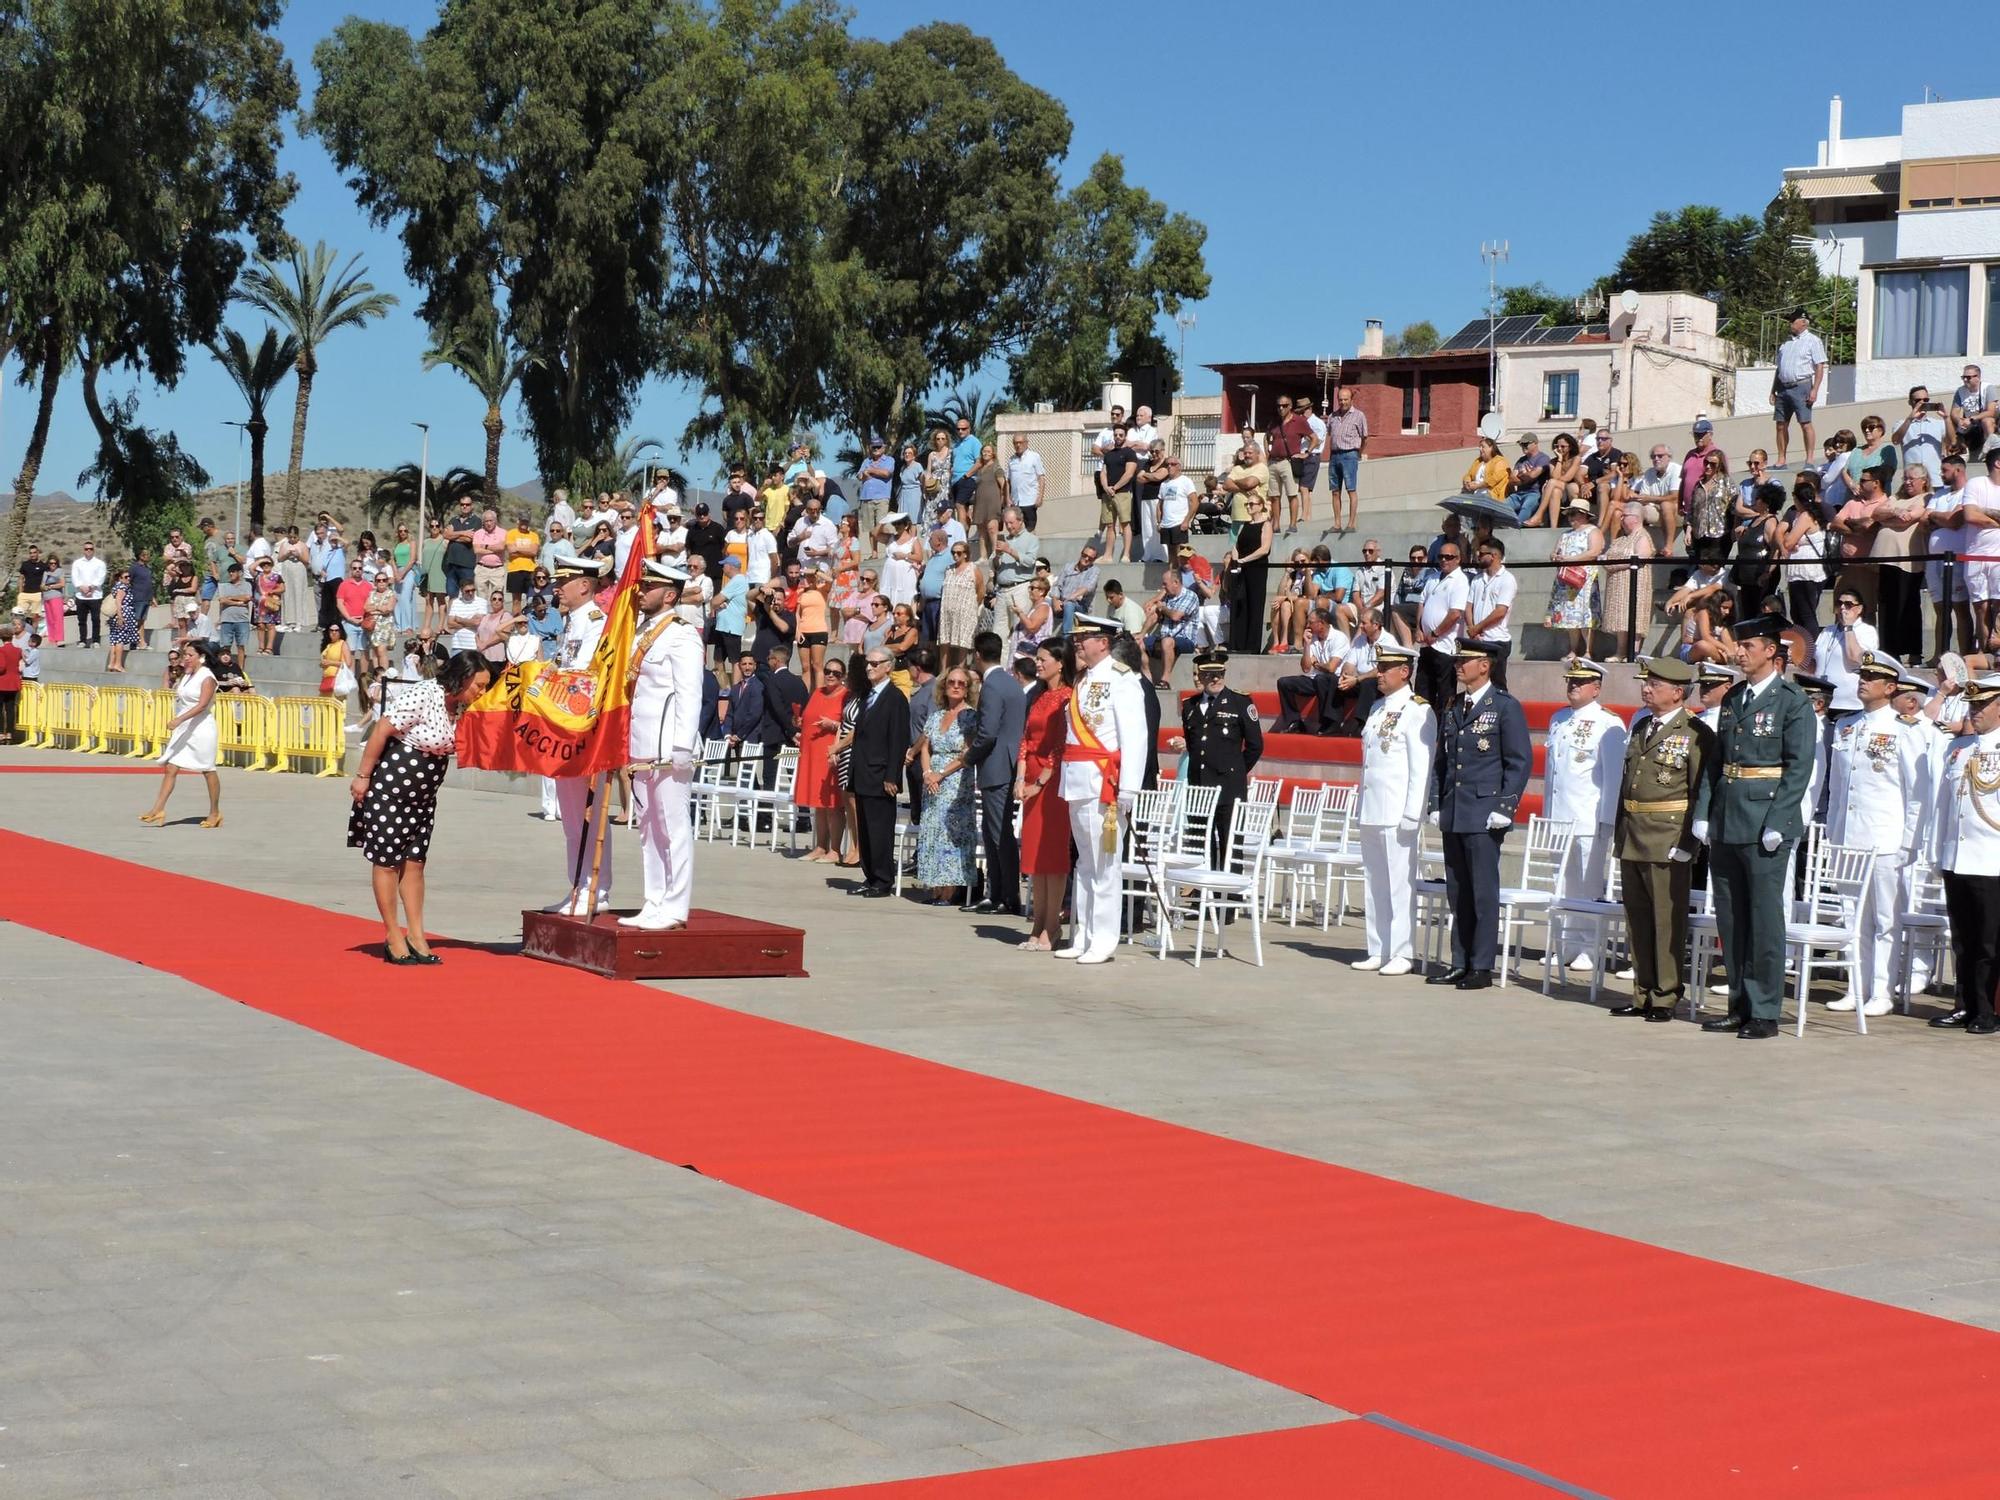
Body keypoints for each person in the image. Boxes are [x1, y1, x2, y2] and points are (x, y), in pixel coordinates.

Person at [1695, 613, 1816, 1039]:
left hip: (1767, 820)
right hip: (1729, 817)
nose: (1739, 652)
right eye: (1739, 646)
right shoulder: (1733, 699)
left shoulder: (1791, 701)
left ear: (1771, 651)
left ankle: (1765, 1010)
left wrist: (1780, 820)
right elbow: (1716, 762)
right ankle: (1738, 1004)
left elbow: (1799, 768)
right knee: (1732, 918)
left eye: (1748, 646)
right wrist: (1704, 812)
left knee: (1764, 919)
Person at [347, 650, 492, 964]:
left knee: (414, 863)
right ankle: (392, 933)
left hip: (424, 798)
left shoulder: (464, 707)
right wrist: (362, 776)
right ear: (462, 677)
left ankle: (416, 932)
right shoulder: (425, 694)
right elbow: (382, 730)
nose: (481, 691)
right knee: (387, 861)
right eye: (477, 685)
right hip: (390, 788)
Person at [1821, 652, 1932, 1018]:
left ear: (1890, 687)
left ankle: (1882, 989)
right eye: (1861, 674)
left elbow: (1916, 793)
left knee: (1886, 919)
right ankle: (1857, 986)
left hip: (1885, 836)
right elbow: (1838, 789)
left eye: (1872, 676)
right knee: (1853, 916)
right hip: (1849, 835)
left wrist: (1908, 842)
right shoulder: (1846, 726)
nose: (1862, 680)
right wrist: (1835, 834)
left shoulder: (1906, 729)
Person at [1610, 656, 1712, 1020]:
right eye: (1646, 682)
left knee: (1666, 920)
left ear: (1677, 692)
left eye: (1654, 684)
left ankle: (1666, 995)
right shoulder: (1641, 727)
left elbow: (1701, 789)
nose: (1646, 688)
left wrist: (1689, 843)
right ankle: (1643, 992)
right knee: (1637, 919)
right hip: (1633, 833)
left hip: (1668, 836)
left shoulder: (1694, 732)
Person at [1425, 638, 1531, 989]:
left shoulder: (1503, 706)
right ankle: (1460, 960)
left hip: (1485, 813)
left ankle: (1481, 965)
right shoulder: (1455, 705)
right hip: (1456, 811)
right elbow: (1443, 761)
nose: (1458, 665)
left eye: (1465, 660)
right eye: (1457, 660)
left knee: (1483, 892)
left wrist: (1505, 806)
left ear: (1484, 665)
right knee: (1459, 891)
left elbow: (1518, 762)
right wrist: (1436, 803)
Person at [1055, 615, 1149, 964]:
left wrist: (1129, 788)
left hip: (1103, 781)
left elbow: (1135, 736)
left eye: (1085, 637)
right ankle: (1083, 934)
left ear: (1103, 642)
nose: (1078, 642)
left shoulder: (1122, 678)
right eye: (1077, 637)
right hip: (1078, 778)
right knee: (1084, 864)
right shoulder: (1083, 678)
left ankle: (1105, 938)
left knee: (1105, 863)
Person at [620, 562, 705, 932]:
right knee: (648, 827)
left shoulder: (681, 635)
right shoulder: (642, 632)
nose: (641, 591)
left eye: (649, 586)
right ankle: (654, 899)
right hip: (642, 744)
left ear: (669, 594)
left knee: (672, 826)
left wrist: (682, 746)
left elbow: (690, 693)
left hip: (669, 746)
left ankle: (675, 906)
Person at [1352, 641, 1434, 975]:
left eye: (1385, 668)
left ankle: (1401, 951)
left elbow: (1421, 766)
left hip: (1397, 809)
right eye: (1378, 667)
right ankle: (1379, 946)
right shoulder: (1376, 709)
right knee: (1375, 882)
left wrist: (1413, 812)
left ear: (1405, 671)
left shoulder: (1418, 710)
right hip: (1373, 807)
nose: (1379, 674)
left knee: (1400, 883)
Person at [1541, 658, 1628, 968]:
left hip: (1588, 816)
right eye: (1570, 681)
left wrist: (1607, 821)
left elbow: (1613, 778)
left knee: (1588, 884)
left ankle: (1589, 948)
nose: (1573, 686)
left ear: (1596, 687)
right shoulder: (1558, 719)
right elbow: (1553, 776)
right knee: (1562, 883)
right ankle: (1563, 945)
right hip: (1559, 817)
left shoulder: (1609, 723)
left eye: (1580, 682)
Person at [543, 556, 617, 915]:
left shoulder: (595, 623)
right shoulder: (571, 623)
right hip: (563, 730)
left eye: (565, 580)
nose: (558, 587)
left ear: (585, 586)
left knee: (588, 816)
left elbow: (582, 677)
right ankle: (578, 885)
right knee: (571, 818)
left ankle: (596, 889)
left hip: (584, 732)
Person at [1930, 676, 2000, 1032]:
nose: (1975, 711)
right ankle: (1965, 1005)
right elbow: (1944, 806)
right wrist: (1937, 852)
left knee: (1989, 943)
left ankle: (1987, 1012)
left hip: (1991, 859)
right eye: (1971, 705)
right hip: (1957, 856)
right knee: (1963, 939)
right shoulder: (1959, 748)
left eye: (1982, 705)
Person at [1168, 648, 1263, 866]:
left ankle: (1230, 895)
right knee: (1202, 843)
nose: (1216, 679)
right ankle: (1203, 894)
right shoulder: (1190, 706)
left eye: (1220, 673)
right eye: (1210, 674)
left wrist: (1235, 770)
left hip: (1229, 786)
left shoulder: (1240, 702)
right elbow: (1194, 745)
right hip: (1200, 785)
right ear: (1200, 676)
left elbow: (1255, 746)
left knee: (1230, 843)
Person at [1016, 638, 1073, 951]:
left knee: (1052, 856)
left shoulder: (1068, 697)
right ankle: (1038, 922)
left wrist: (1039, 784)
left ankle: (1052, 926)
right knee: (1035, 856)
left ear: (1060, 662)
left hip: (1054, 783)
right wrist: (1021, 776)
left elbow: (1060, 746)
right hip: (1032, 780)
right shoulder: (1039, 696)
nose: (1037, 664)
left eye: (1043, 659)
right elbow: (1025, 738)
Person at [965, 630, 1025, 915]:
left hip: (997, 764)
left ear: (978, 654)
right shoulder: (1010, 682)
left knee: (997, 833)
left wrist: (969, 756)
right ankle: (999, 892)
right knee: (996, 832)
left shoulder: (992, 686)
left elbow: (987, 733)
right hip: (1006, 763)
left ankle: (1006, 894)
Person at [915, 664, 980, 904]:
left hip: (955, 781)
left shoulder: (971, 716)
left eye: (961, 683)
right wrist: (927, 773)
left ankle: (950, 890)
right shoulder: (937, 715)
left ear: (967, 688)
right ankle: (935, 887)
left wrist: (940, 774)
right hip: (932, 780)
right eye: (951, 682)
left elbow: (968, 751)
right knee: (932, 831)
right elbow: (925, 747)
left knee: (950, 834)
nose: (955, 686)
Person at [139, 643, 224, 829]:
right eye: (185, 654)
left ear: (201, 656)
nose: (186, 658)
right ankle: (157, 809)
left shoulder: (207, 678)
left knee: (207, 770)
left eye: (190, 655)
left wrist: (179, 720)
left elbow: (202, 705)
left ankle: (214, 812)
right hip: (185, 727)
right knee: (171, 767)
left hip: (202, 728)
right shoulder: (186, 675)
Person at [848, 646, 908, 898]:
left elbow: (898, 740)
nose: (870, 667)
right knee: (865, 828)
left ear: (888, 666)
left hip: (881, 774)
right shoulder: (868, 695)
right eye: (868, 663)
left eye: (875, 663)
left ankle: (883, 879)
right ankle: (870, 875)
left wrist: (892, 776)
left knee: (879, 829)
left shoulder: (895, 699)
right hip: (862, 771)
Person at [798, 656, 849, 862]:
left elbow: (852, 726)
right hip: (812, 753)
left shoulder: (846, 695)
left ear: (843, 676)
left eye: (836, 673)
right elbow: (809, 717)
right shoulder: (817, 693)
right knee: (819, 804)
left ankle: (835, 850)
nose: (830, 675)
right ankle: (820, 846)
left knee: (833, 805)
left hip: (831, 754)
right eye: (827, 671)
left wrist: (833, 725)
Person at [1273, 607, 1349, 734]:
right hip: (1316, 679)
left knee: (1322, 678)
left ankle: (1328, 722)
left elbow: (1331, 668)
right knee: (1284, 682)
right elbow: (1306, 667)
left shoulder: (1339, 638)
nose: (1307, 625)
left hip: (1333, 681)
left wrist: (1315, 662)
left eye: (1311, 622)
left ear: (1321, 623)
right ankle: (1294, 722)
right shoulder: (1312, 638)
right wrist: (1307, 645)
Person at [1413, 538, 1468, 711]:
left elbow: (1455, 613)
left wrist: (1435, 634)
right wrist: (1419, 628)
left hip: (1445, 646)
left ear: (1458, 559)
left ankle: (1443, 732)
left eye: (1449, 556)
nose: (1444, 560)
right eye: (1441, 556)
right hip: (1427, 644)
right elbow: (1422, 603)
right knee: (1422, 691)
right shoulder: (1433, 577)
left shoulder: (1460, 581)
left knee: (1445, 693)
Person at [1545, 503, 1604, 660]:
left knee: (1586, 614)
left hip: (1584, 578)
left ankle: (1588, 651)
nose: (1570, 518)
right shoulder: (1565, 534)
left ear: (1584, 515)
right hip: (1566, 579)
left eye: (1573, 514)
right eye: (1569, 514)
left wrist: (1571, 559)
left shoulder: (1592, 531)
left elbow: (1594, 551)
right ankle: (1573, 649)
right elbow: (1555, 551)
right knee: (1570, 616)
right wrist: (1555, 556)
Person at [1771, 308, 1827, 466]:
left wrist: (1814, 389)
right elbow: (1779, 368)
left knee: (1805, 423)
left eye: (1792, 320)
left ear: (1803, 321)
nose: (1790, 323)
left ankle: (1809, 458)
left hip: (1802, 385)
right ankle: (1781, 458)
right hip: (1783, 387)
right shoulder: (1786, 343)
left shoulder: (1813, 341)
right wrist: (1773, 390)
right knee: (1781, 424)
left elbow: (1819, 366)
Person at [1224, 494, 1273, 654]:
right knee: (1241, 604)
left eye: (1252, 504)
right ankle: (1238, 644)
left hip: (1256, 569)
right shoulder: (1245, 524)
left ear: (1260, 506)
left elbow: (1264, 549)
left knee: (1255, 605)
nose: (1249, 507)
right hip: (1242, 569)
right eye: (1247, 504)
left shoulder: (1266, 525)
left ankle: (1252, 646)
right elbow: (1236, 545)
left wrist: (1245, 560)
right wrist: (1237, 558)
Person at [1325, 385, 1368, 534]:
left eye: (1345, 399)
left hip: (1350, 454)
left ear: (1351, 400)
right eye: (1340, 399)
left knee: (1351, 490)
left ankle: (1351, 523)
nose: (1343, 402)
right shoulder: (1332, 416)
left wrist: (1358, 453)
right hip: (1335, 455)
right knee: (1335, 491)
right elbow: (1329, 434)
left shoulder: (1359, 416)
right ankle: (1337, 524)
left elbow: (1365, 437)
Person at [0, 624, 20, 744]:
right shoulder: (17, 650)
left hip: (2, 682)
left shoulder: (1, 650)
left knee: (0, 710)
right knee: (10, 709)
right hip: (14, 683)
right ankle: (10, 733)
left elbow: (1, 667)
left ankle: (1, 733)